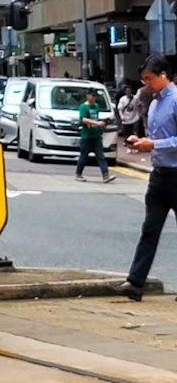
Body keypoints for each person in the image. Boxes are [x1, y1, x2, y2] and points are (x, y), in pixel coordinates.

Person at [120, 55, 177, 301]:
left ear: (163, 75)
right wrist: (140, 143)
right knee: (149, 229)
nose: (146, 84)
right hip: (159, 176)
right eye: (143, 79)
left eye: (149, 79)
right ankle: (135, 282)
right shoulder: (153, 104)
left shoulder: (176, 101)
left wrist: (154, 143)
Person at [75, 86, 115, 182]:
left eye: (95, 96)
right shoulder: (83, 107)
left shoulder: (96, 106)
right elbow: (84, 119)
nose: (94, 98)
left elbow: (96, 118)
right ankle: (78, 174)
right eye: (92, 96)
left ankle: (105, 175)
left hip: (96, 136)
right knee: (84, 156)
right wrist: (97, 123)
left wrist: (101, 124)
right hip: (87, 136)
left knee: (100, 156)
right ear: (88, 96)